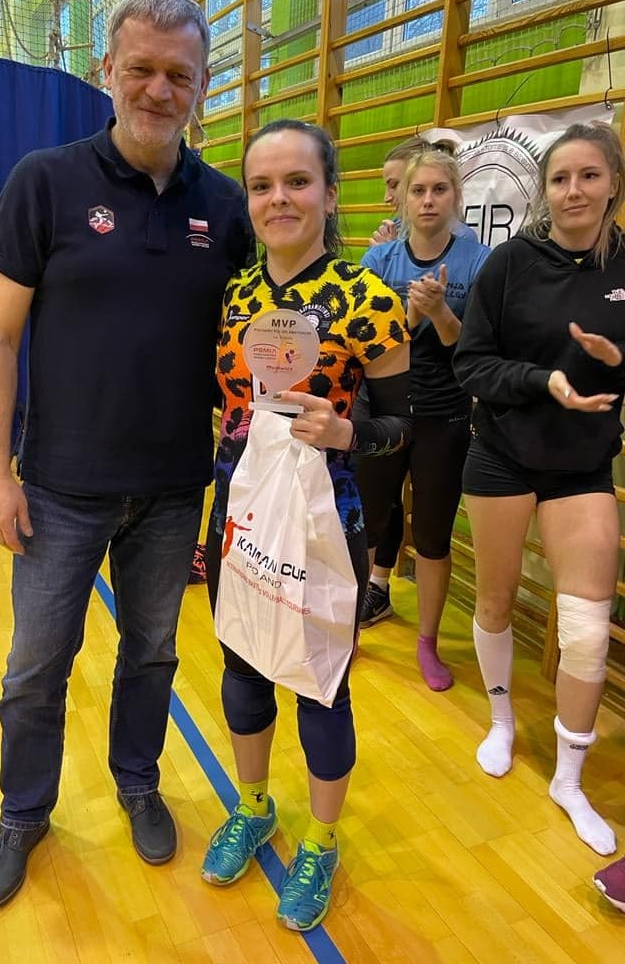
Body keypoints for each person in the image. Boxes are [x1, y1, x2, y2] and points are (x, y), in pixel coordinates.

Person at [0, 0, 253, 908]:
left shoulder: (225, 205)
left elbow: (260, 341)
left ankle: (138, 782)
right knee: (35, 670)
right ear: (108, 71)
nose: (159, 90)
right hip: (59, 488)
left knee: (153, 654)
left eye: (179, 75)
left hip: (173, 489)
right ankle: (23, 814)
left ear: (202, 86)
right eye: (142, 69)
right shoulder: (44, 182)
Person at [200, 119, 411, 931]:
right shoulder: (234, 293)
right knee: (243, 662)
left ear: (329, 193)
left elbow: (407, 423)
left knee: (322, 686)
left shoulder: (369, 300)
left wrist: (348, 432)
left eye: (297, 181)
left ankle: (321, 841)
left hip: (329, 517)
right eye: (261, 185)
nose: (278, 198)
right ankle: (253, 807)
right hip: (239, 509)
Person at [452, 121, 625, 856]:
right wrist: (542, 380)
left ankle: (570, 779)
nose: (574, 190)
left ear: (613, 185)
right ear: (544, 190)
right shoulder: (510, 263)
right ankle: (501, 721)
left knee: (585, 626)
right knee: (493, 602)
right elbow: (471, 362)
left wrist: (616, 361)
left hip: (582, 466)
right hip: (502, 454)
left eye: (589, 176)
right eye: (560, 178)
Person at [356, 149, 491, 690]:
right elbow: (369, 346)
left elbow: (475, 350)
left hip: (445, 415)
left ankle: (428, 643)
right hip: (384, 412)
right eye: (418, 190)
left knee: (433, 536)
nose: (429, 200)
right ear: (403, 198)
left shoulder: (479, 262)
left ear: (456, 195)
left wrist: (440, 313)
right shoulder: (378, 261)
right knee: (368, 523)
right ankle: (350, 629)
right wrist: (412, 315)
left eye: (439, 189)